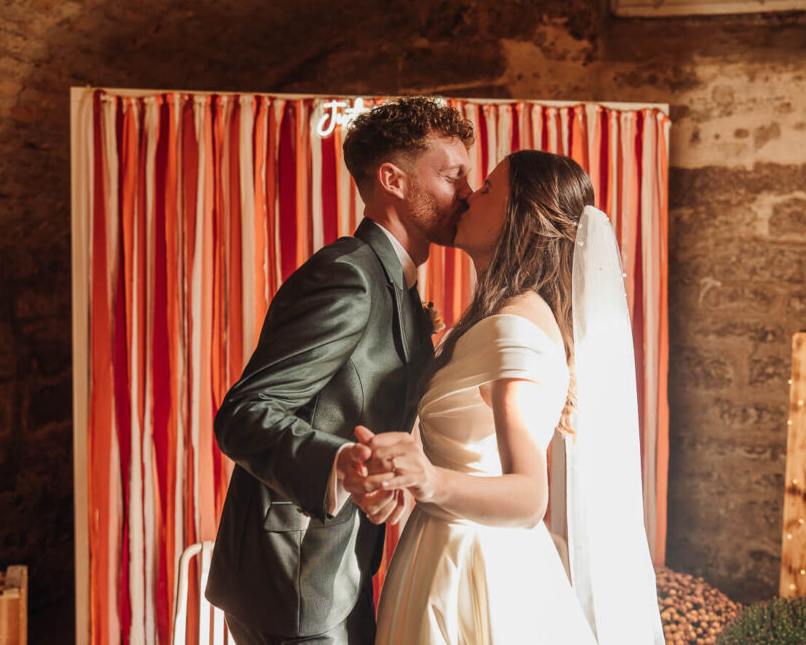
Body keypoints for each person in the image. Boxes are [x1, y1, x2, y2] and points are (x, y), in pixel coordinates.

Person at [204, 96, 475, 645]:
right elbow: (244, 413)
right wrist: (338, 463)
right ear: (393, 180)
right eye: (452, 176)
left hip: (339, 570)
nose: (466, 192)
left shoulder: (396, 283)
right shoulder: (348, 275)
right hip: (292, 580)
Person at [353, 150, 613, 644]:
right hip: (440, 550)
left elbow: (529, 496)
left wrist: (428, 480)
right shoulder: (497, 317)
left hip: (474, 571)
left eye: (488, 187)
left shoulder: (515, 326)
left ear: (521, 217)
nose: (469, 195)